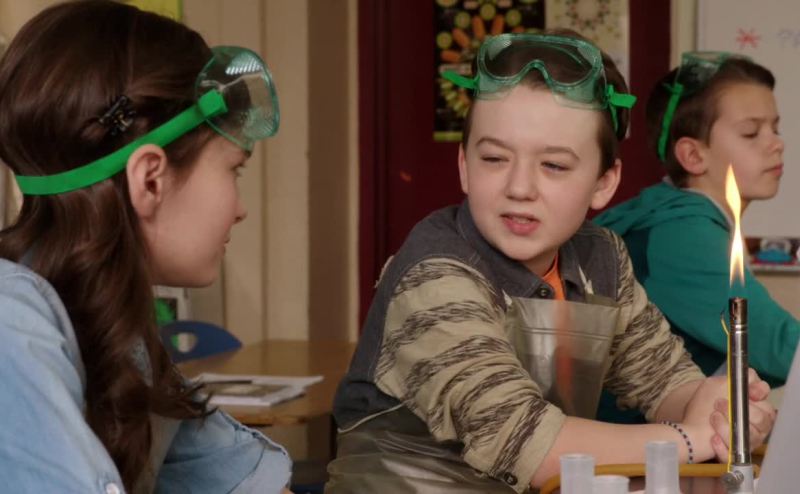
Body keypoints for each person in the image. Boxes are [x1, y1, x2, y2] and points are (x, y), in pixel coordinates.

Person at [326, 32, 776, 493]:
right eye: (494, 158)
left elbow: (664, 381)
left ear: (604, 182)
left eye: (554, 166)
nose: (519, 187)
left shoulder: (602, 258)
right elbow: (529, 446)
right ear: (464, 165)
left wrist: (715, 406)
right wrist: (692, 439)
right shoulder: (434, 275)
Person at [0, 1, 291, 492]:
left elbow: (240, 481)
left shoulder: (117, 329)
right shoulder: (11, 325)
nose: (240, 208)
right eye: (234, 170)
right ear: (150, 179)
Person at [594, 53, 798, 424]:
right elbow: (782, 349)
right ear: (692, 155)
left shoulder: (674, 216)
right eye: (751, 132)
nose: (776, 144)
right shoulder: (683, 235)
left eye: (775, 129)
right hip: (631, 448)